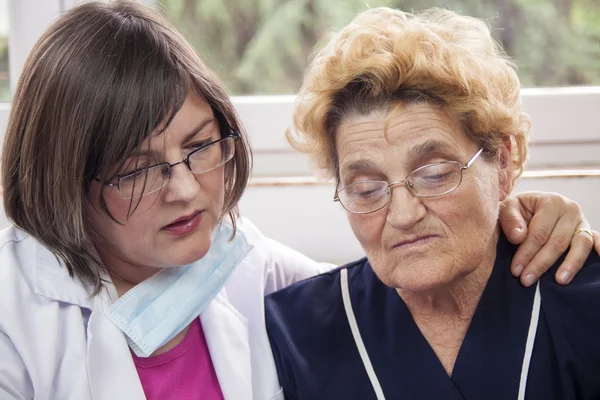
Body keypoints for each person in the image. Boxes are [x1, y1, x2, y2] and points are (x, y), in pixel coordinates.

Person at [0, 2, 595, 399]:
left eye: (201, 145)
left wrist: (524, 212)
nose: (184, 189)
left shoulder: (248, 270)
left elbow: (390, 280)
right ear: (66, 179)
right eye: (135, 171)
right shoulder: (16, 317)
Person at [266, 7, 600, 400]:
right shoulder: (299, 331)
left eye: (436, 175)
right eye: (367, 189)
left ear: (503, 163)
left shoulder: (584, 303)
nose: (404, 215)